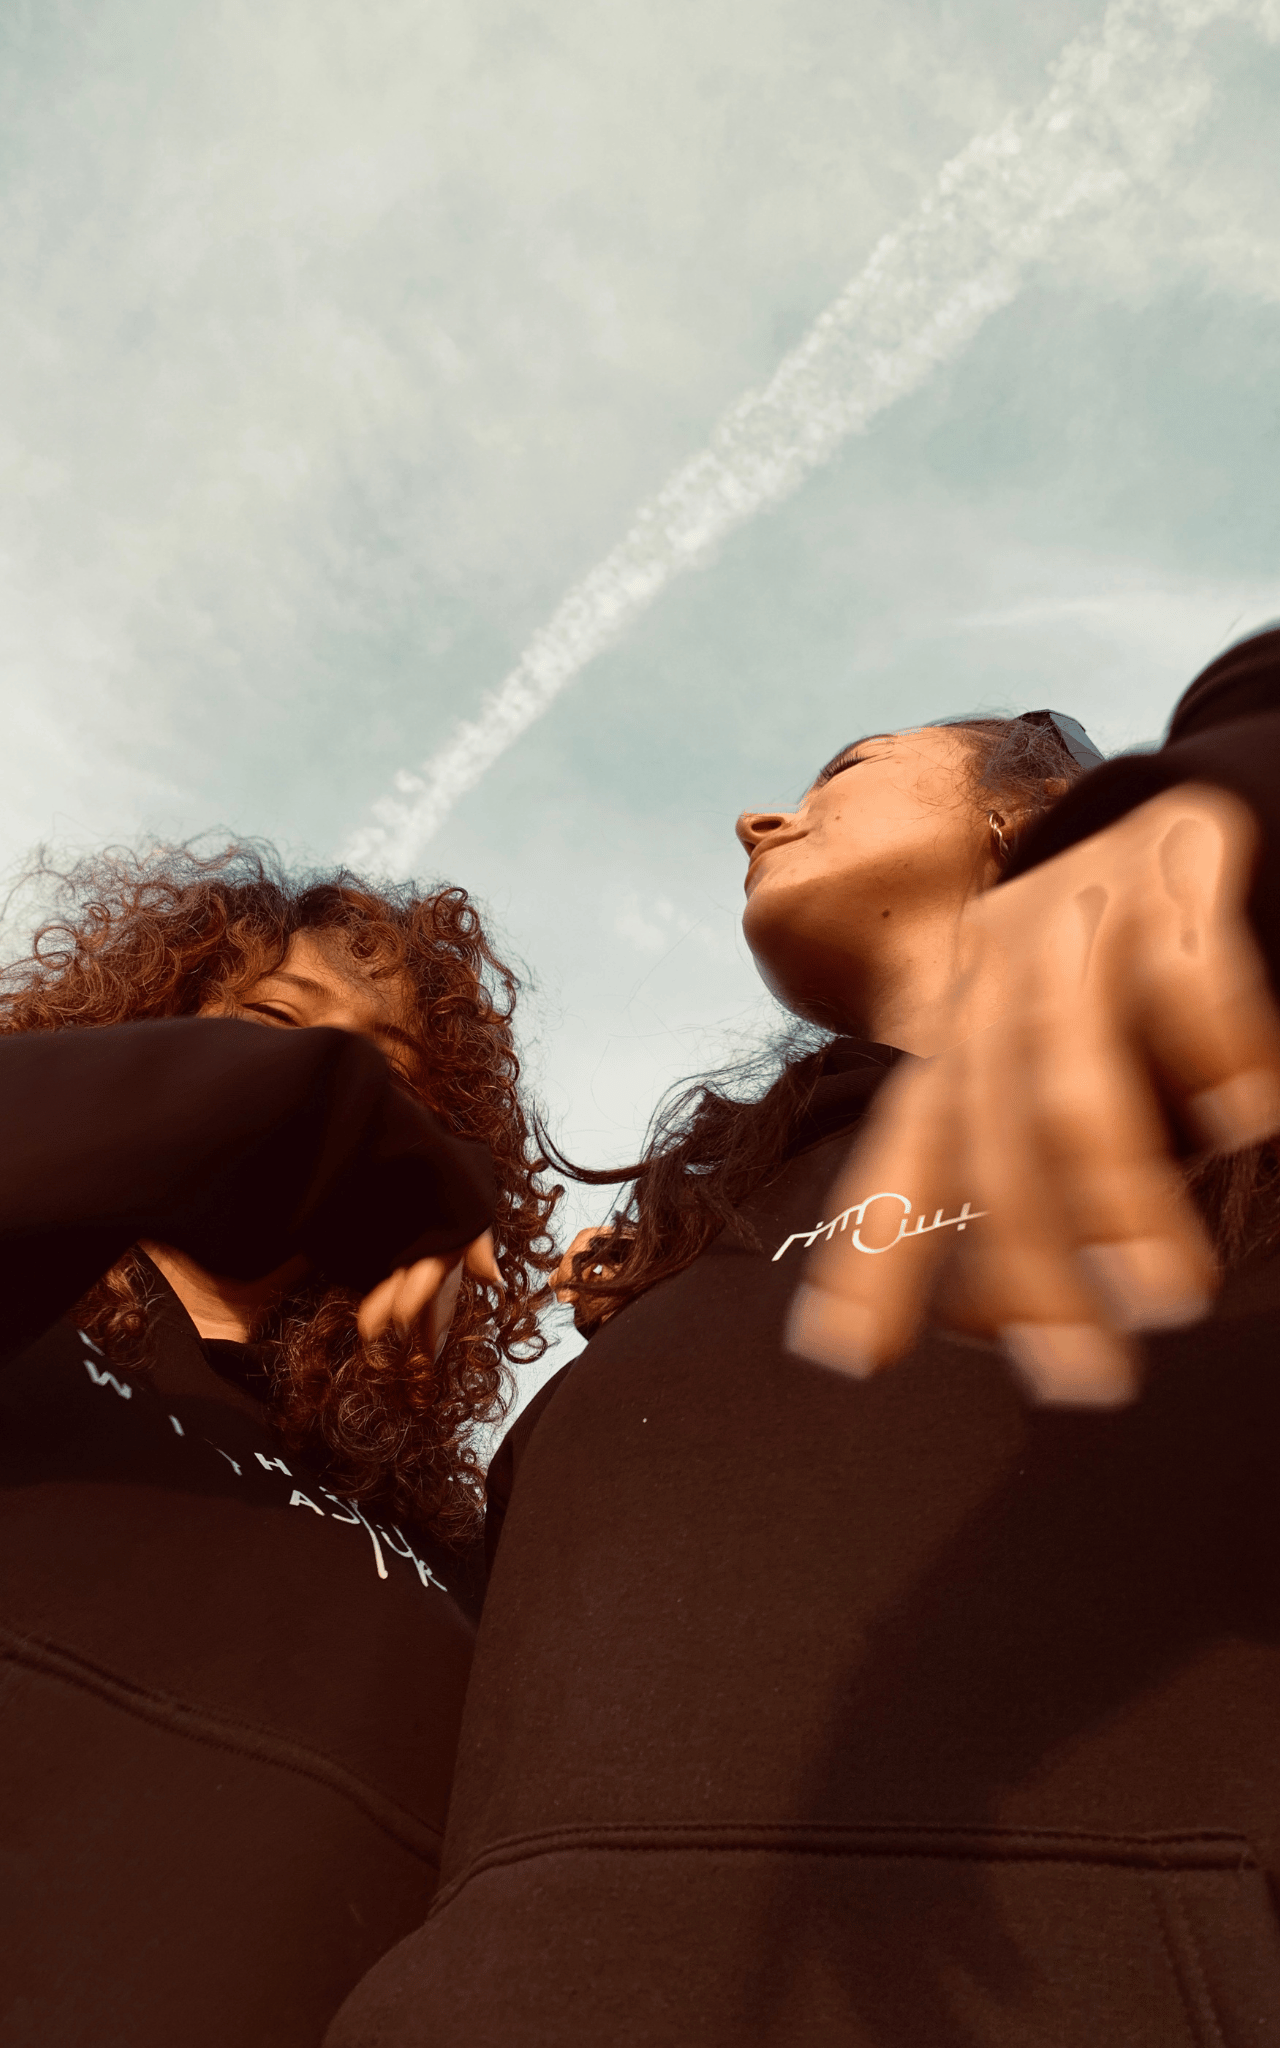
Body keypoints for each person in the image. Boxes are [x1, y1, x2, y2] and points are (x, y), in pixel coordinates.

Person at [324, 629, 1280, 2046]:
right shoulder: (671, 1273)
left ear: (1026, 814)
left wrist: (1211, 808)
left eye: (848, 768)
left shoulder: (1230, 1124)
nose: (755, 818)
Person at [0, 842, 557, 2047]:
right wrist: (304, 1107)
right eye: (273, 1024)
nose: (329, 1076)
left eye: (386, 1074)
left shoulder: (441, 1542)